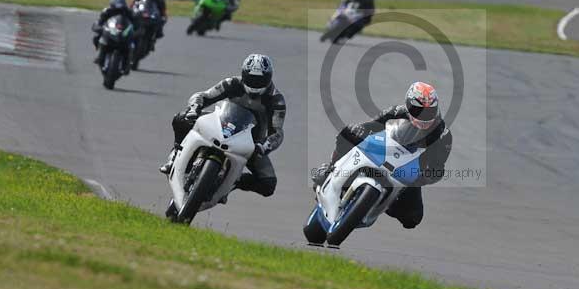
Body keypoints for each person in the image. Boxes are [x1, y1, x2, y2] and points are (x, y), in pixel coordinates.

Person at [311, 82, 453, 229]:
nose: (423, 115)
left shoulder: (443, 135)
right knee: (347, 133)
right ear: (409, 106)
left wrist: (425, 176)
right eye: (417, 110)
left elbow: (438, 167)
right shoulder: (398, 111)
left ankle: (387, 202)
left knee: (412, 218)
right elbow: (371, 125)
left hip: (409, 172)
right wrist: (357, 130)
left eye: (428, 111)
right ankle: (330, 168)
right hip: (386, 151)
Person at [159, 54, 286, 199]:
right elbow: (203, 96)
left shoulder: (276, 101)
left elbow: (277, 132)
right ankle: (175, 154)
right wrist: (194, 109)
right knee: (181, 119)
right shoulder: (231, 83)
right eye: (251, 79)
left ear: (269, 78)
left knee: (268, 184)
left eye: (260, 80)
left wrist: (263, 146)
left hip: (250, 144)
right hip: (220, 126)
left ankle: (233, 182)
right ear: (243, 74)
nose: (255, 84)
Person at [92, 0, 135, 73]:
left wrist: (136, 31)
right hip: (109, 32)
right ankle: (99, 53)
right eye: (117, 5)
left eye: (121, 5)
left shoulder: (128, 12)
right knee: (96, 36)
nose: (119, 8)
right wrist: (98, 28)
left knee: (133, 43)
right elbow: (99, 22)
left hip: (124, 33)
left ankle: (128, 62)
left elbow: (136, 23)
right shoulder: (107, 11)